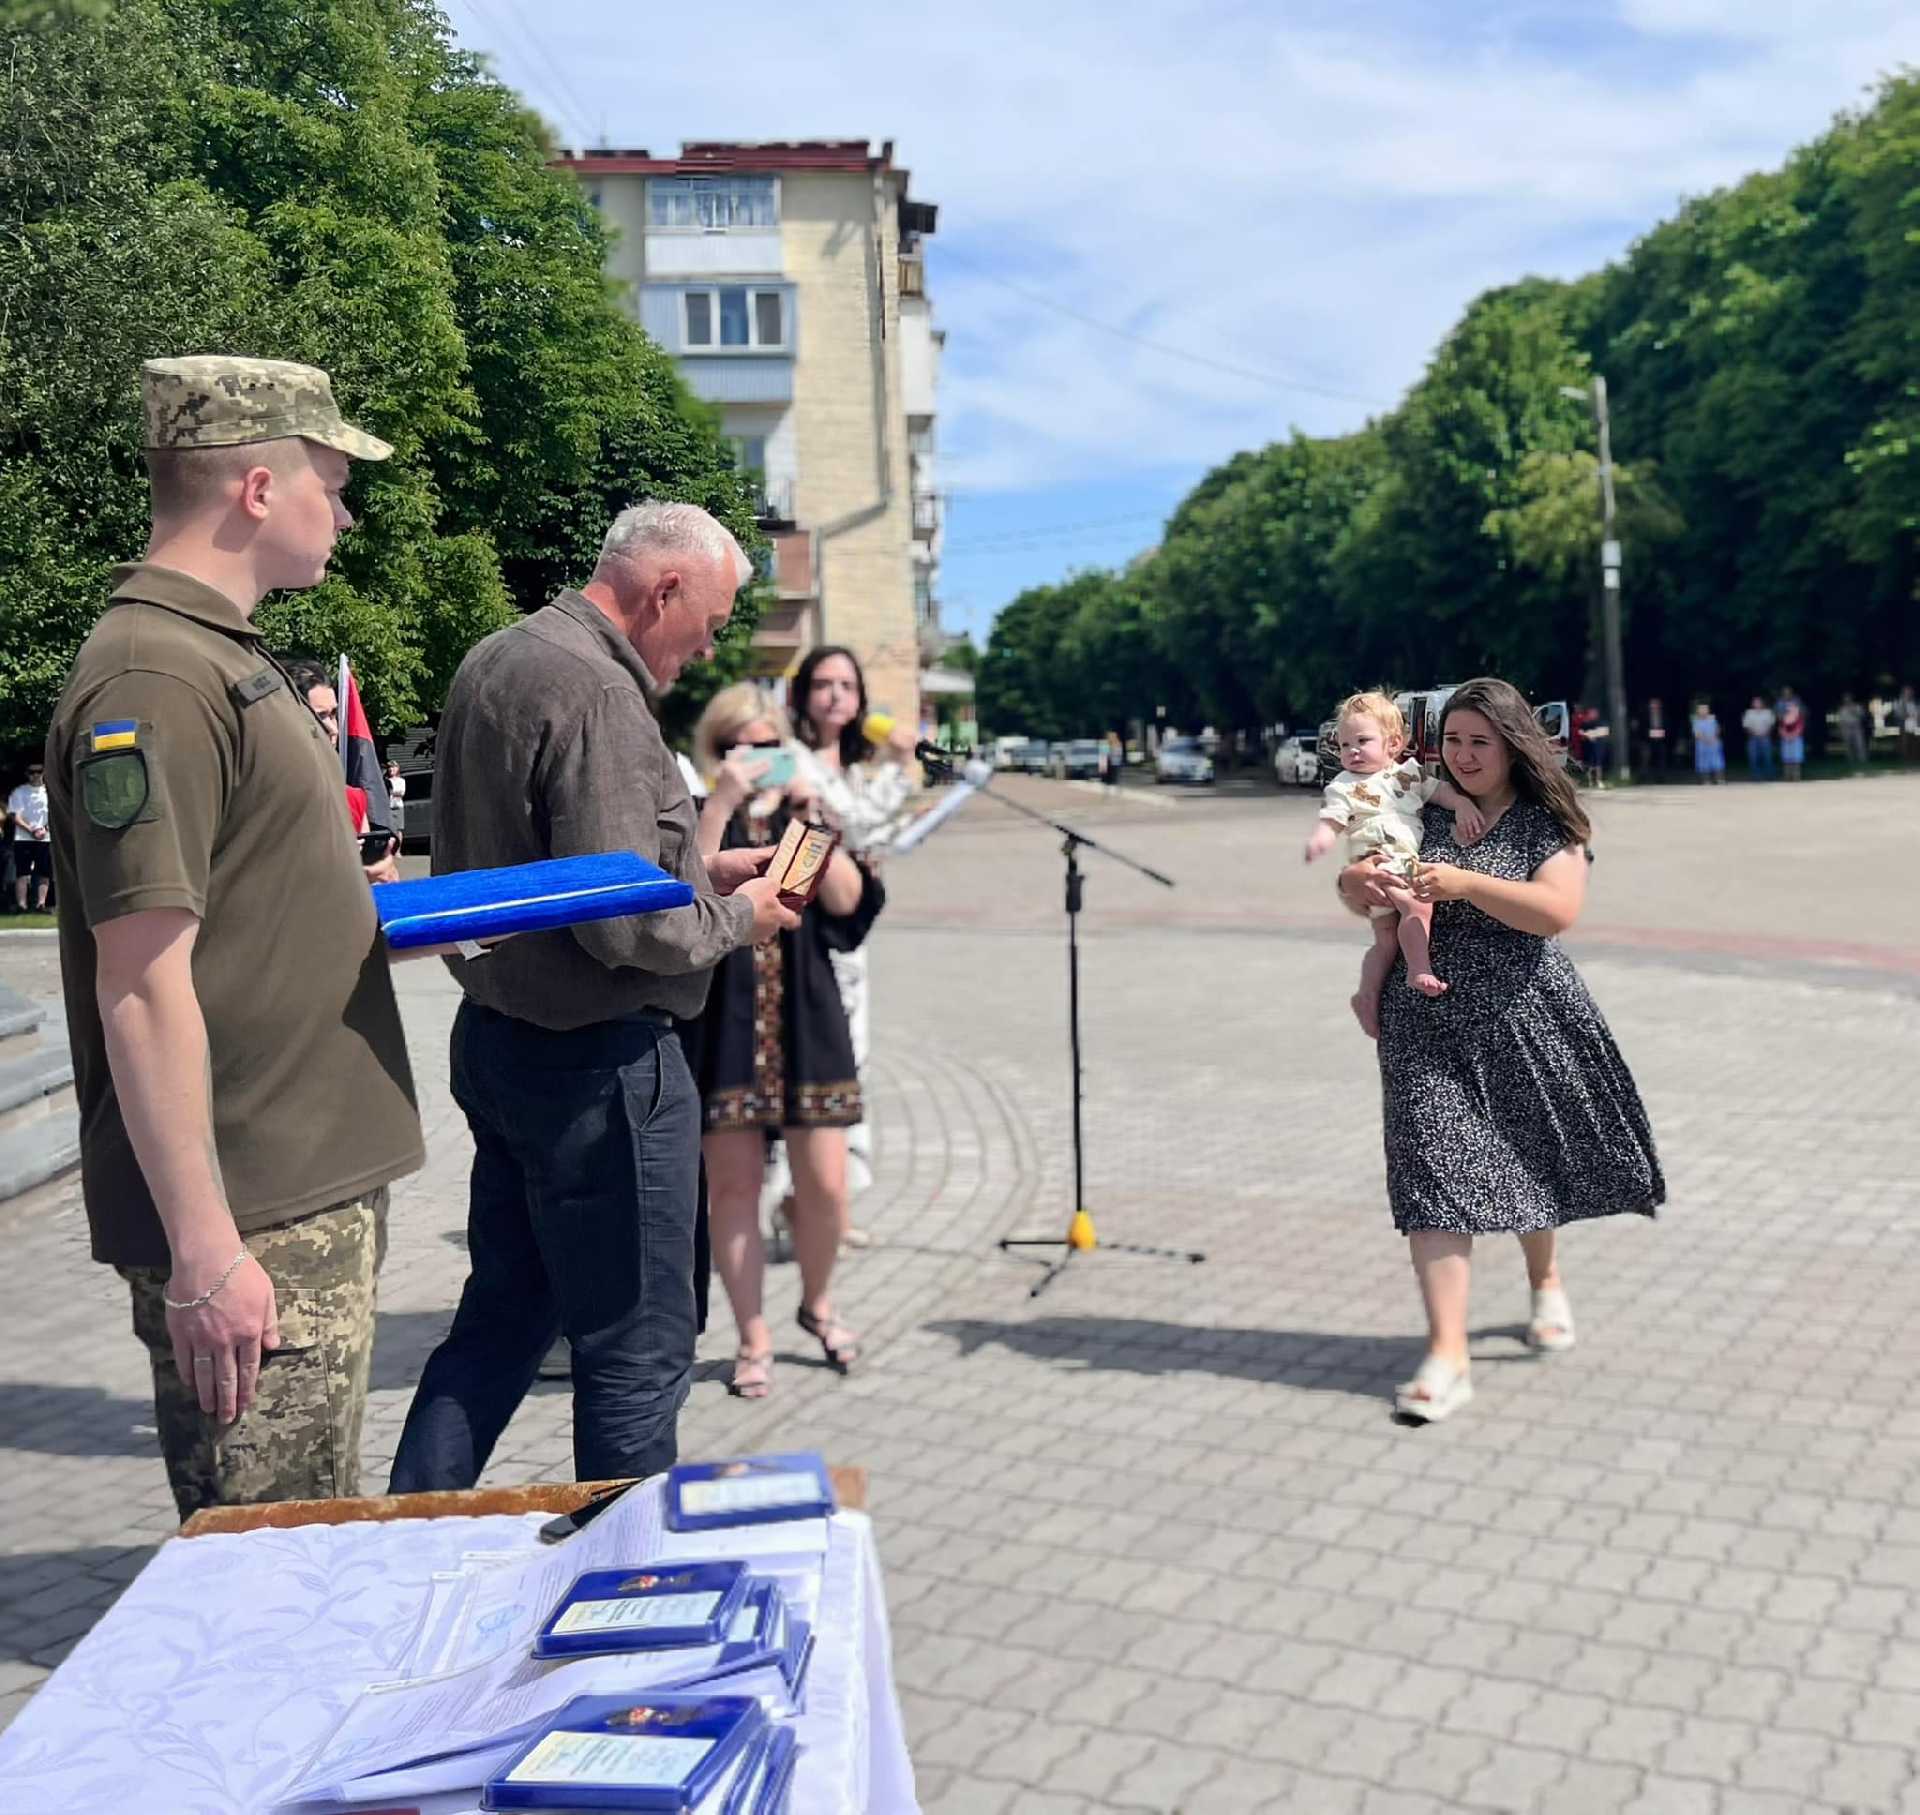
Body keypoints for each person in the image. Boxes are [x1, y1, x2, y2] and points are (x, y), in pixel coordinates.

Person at [44, 354, 424, 1517]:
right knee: (272, 1582)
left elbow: (260, 915)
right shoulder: (156, 673)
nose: (345, 510)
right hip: (255, 1218)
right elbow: (143, 985)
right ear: (258, 487)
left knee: (306, 1549)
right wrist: (205, 1253)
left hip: (293, 1195)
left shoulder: (221, 654)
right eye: (331, 478)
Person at [388, 502, 796, 1494]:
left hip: (504, 1041)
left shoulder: (500, 657)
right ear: (666, 589)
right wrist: (744, 919)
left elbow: (565, 869)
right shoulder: (597, 694)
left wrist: (703, 870)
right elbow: (623, 928)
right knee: (639, 1349)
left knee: (502, 1323)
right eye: (708, 623)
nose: (704, 650)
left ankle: (397, 1545)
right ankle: (624, 1592)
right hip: (601, 1069)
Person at [1337, 677, 1663, 1424]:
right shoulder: (1416, 801)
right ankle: (1447, 1354)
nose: (1464, 754)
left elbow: (1557, 911)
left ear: (1514, 744)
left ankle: (1544, 1279)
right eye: (1453, 740)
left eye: (1480, 741)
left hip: (1520, 1015)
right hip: (1423, 1018)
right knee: (1431, 1175)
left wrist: (1465, 883)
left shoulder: (1547, 819)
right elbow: (1360, 883)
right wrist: (1357, 882)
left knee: (1521, 1160)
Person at [691, 684, 882, 1399]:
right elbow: (688, 887)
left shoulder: (803, 813)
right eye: (744, 744)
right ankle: (752, 1336)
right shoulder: (699, 808)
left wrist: (811, 816)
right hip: (727, 1019)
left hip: (804, 1016)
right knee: (734, 1187)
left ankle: (818, 1302)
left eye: (771, 745)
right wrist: (720, 799)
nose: (760, 758)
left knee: (827, 1185)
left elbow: (845, 902)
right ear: (719, 749)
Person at [788, 643, 918, 1230]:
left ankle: (827, 1199)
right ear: (804, 696)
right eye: (824, 684)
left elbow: (877, 834)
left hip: (852, 934)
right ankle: (808, 1196)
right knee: (821, 1056)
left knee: (855, 1055)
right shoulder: (795, 763)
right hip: (804, 936)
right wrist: (898, 768)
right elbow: (852, 825)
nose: (836, 695)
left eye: (847, 685)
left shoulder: (853, 771)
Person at [1304, 691, 1484, 1037]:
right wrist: (1321, 840)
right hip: (1385, 861)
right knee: (1419, 905)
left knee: (1385, 942)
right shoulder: (1343, 786)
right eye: (1344, 745)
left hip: (1392, 865)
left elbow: (1438, 792)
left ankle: (1367, 993)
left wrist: (1460, 803)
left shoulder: (1407, 775)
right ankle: (1419, 967)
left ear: (1393, 743)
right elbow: (1332, 821)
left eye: (1362, 741)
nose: (1352, 751)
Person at [285, 658, 399, 885]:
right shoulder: (265, 797)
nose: (333, 728)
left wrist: (380, 873)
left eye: (333, 714)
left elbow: (374, 881)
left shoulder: (353, 798)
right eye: (320, 716)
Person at [8, 759, 51, 912]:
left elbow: (55, 815)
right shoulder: (20, 792)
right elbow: (16, 816)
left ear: (43, 772)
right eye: (32, 772)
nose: (35, 775)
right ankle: (22, 905)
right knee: (23, 872)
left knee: (44, 872)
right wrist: (31, 830)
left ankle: (41, 904)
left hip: (45, 837)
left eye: (38, 772)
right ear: (27, 774)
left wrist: (44, 829)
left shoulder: (49, 792)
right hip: (24, 837)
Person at [1775, 687, 1807, 782]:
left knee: (1796, 757)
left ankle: (1797, 777)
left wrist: (1794, 735)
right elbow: (1781, 727)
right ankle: (1787, 777)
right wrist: (1785, 735)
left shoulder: (1798, 716)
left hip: (1796, 737)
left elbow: (1800, 726)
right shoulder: (1783, 718)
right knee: (1787, 757)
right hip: (1786, 738)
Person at [1691, 700, 1726, 784]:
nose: (1703, 711)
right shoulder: (1696, 721)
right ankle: (1705, 780)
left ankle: (1719, 779)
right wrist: (1706, 740)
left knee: (1717, 762)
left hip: (1714, 744)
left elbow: (1717, 729)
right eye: (1701, 710)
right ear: (1698, 711)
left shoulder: (1712, 719)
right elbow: (1697, 734)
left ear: (1708, 710)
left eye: (1705, 709)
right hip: (1702, 745)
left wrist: (1714, 738)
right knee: (1703, 763)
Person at [1836, 692, 1869, 770]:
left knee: (1859, 744)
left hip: (1856, 727)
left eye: (1848, 698)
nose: (1847, 700)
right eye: (1845, 699)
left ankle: (1862, 760)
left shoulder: (1857, 707)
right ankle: (1850, 760)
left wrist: (1853, 710)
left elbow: (1862, 715)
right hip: (1846, 727)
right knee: (1848, 745)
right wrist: (1841, 728)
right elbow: (1840, 720)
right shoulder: (1842, 709)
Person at [1642, 695, 1669, 780]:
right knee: (1646, 757)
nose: (1654, 706)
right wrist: (1648, 734)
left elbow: (1668, 727)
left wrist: (1663, 733)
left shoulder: (1664, 715)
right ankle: (1644, 776)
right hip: (1648, 741)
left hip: (1661, 740)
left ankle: (1660, 776)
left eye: (1656, 704)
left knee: (1661, 758)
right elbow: (1641, 728)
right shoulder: (1645, 715)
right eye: (1653, 704)